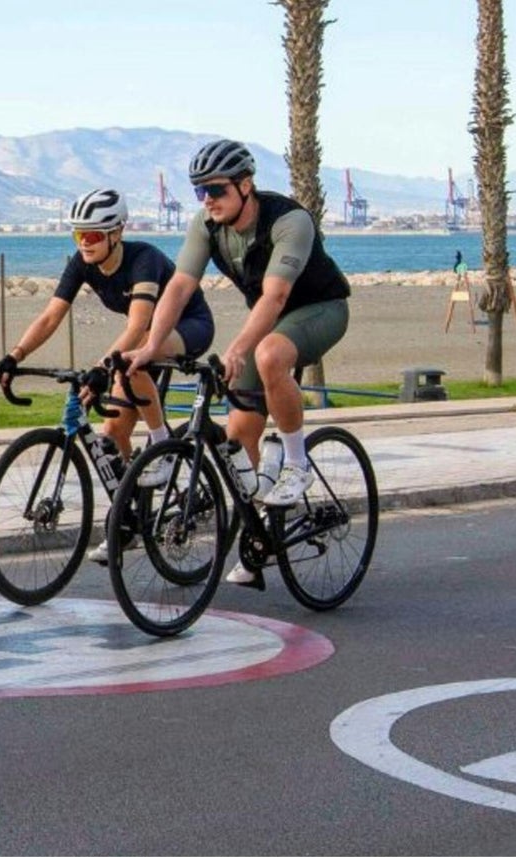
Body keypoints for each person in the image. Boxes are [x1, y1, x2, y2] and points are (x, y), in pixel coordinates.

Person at [123, 139, 353, 587]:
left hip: (321, 309)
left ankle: (295, 464)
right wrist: (152, 346)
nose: (208, 200)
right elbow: (180, 287)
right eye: (200, 192)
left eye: (216, 190)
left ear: (246, 186)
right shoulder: (207, 224)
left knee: (267, 354)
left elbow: (276, 296)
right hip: (271, 316)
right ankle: (260, 534)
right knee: (237, 438)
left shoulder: (290, 221)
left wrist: (239, 348)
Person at [0, 189, 215, 564]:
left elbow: (141, 325)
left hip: (186, 328)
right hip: (141, 339)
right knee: (112, 438)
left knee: (131, 360)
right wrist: (14, 356)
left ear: (116, 233)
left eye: (92, 235)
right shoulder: (82, 263)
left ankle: (164, 450)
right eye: (78, 235)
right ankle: (128, 520)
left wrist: (101, 366)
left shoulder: (144, 259)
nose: (84, 243)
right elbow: (50, 317)